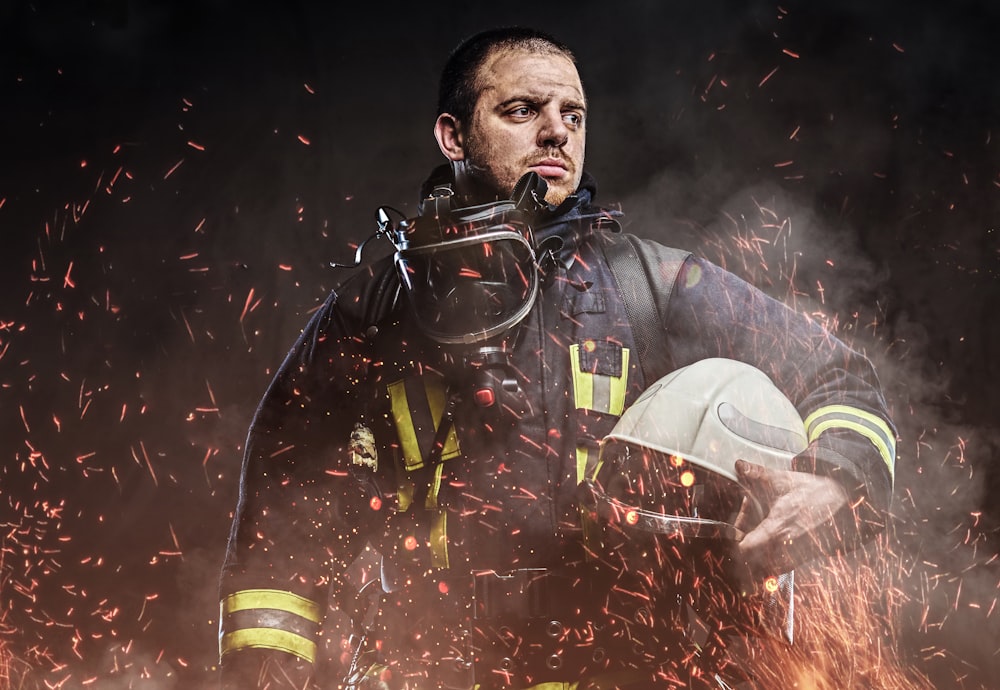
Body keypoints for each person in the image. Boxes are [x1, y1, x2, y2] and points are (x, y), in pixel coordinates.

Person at [218, 26, 896, 690]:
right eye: (521, 110)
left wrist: (834, 478)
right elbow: (278, 525)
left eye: (572, 114)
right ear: (453, 135)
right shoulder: (374, 313)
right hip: (424, 668)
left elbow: (841, 374)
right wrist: (267, 672)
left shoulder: (650, 286)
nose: (556, 131)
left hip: (617, 667)